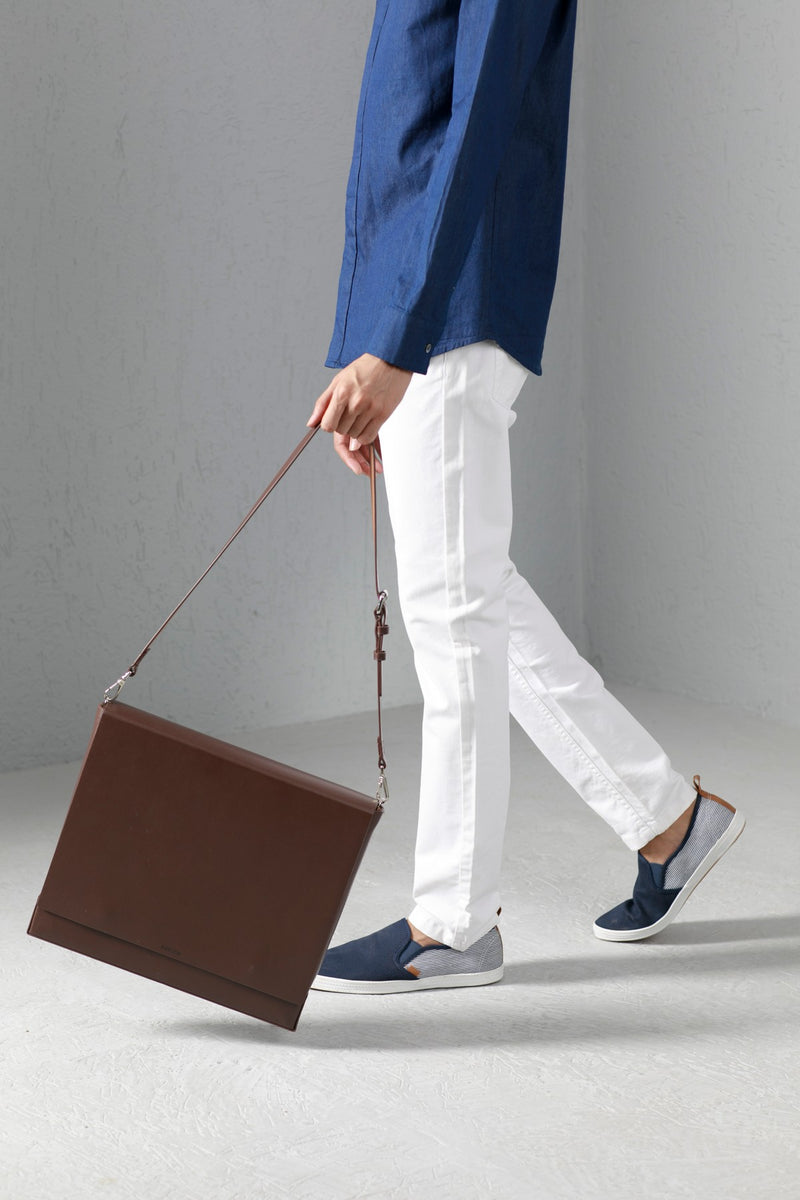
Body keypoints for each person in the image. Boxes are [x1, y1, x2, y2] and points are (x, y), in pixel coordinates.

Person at [305, 1, 745, 994]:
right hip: (422, 307)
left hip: (449, 307)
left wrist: (397, 340)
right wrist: (370, 340)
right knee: (472, 593)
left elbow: (477, 120)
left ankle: (451, 924)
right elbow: (404, 123)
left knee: (453, 612)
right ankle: (668, 820)